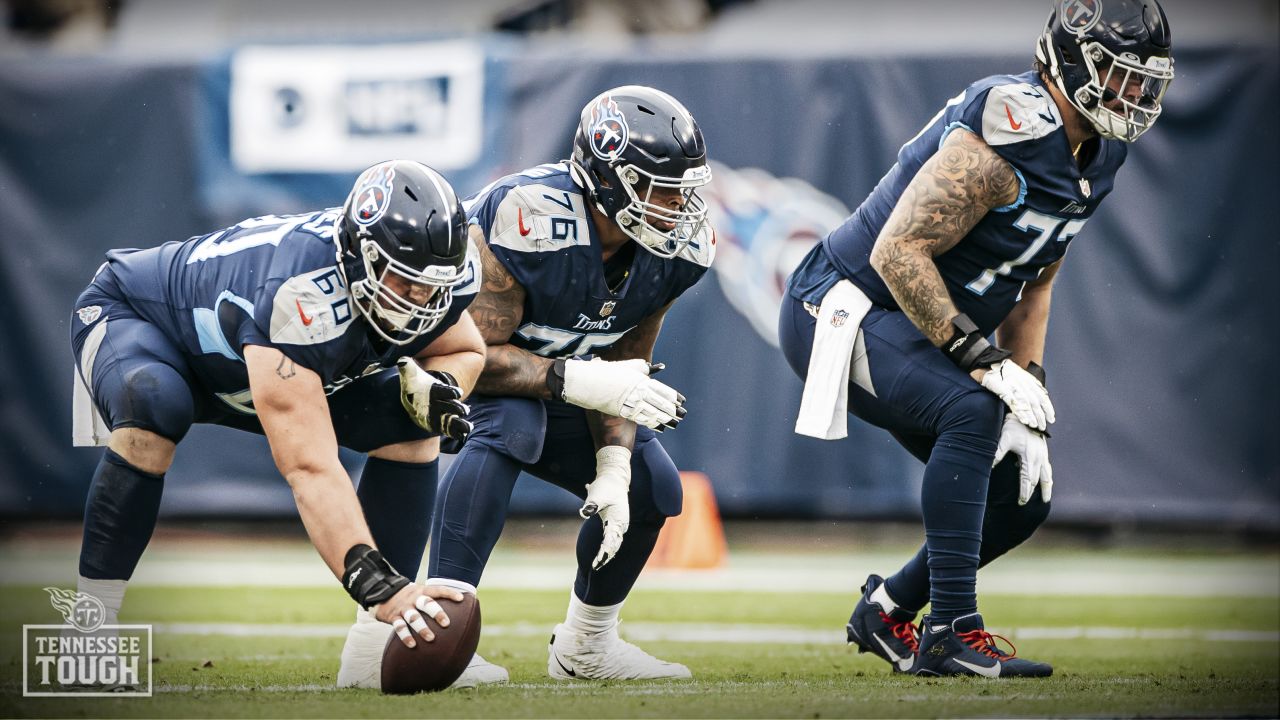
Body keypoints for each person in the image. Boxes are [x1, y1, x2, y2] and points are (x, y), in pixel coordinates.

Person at [778, 0, 1173, 677]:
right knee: (973, 408)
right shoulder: (1012, 128)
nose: (1133, 95)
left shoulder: (1099, 155)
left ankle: (888, 609)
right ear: (1072, 60)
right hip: (840, 308)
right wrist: (984, 366)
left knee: (1022, 488)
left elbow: (1036, 282)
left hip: (923, 331)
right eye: (1119, 74)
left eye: (1145, 81)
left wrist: (1030, 390)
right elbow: (898, 253)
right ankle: (951, 634)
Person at [340, 85, 713, 685]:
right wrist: (577, 377)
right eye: (658, 188)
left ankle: (587, 646)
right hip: (444, 370)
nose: (675, 208)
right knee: (514, 425)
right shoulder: (532, 215)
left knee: (652, 484)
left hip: (555, 380)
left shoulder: (674, 249)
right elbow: (473, 353)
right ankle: (401, 634)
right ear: (607, 176)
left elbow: (624, 361)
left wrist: (615, 463)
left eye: (682, 190)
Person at [70, 160, 485, 665]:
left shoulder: (431, 280)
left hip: (249, 367)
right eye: (403, 283)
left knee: (410, 420)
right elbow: (310, 469)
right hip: (140, 321)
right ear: (359, 256)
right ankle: (90, 627)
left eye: (430, 287)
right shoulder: (301, 294)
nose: (419, 302)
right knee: (154, 405)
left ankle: (373, 653)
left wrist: (443, 387)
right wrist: (379, 586)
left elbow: (466, 349)